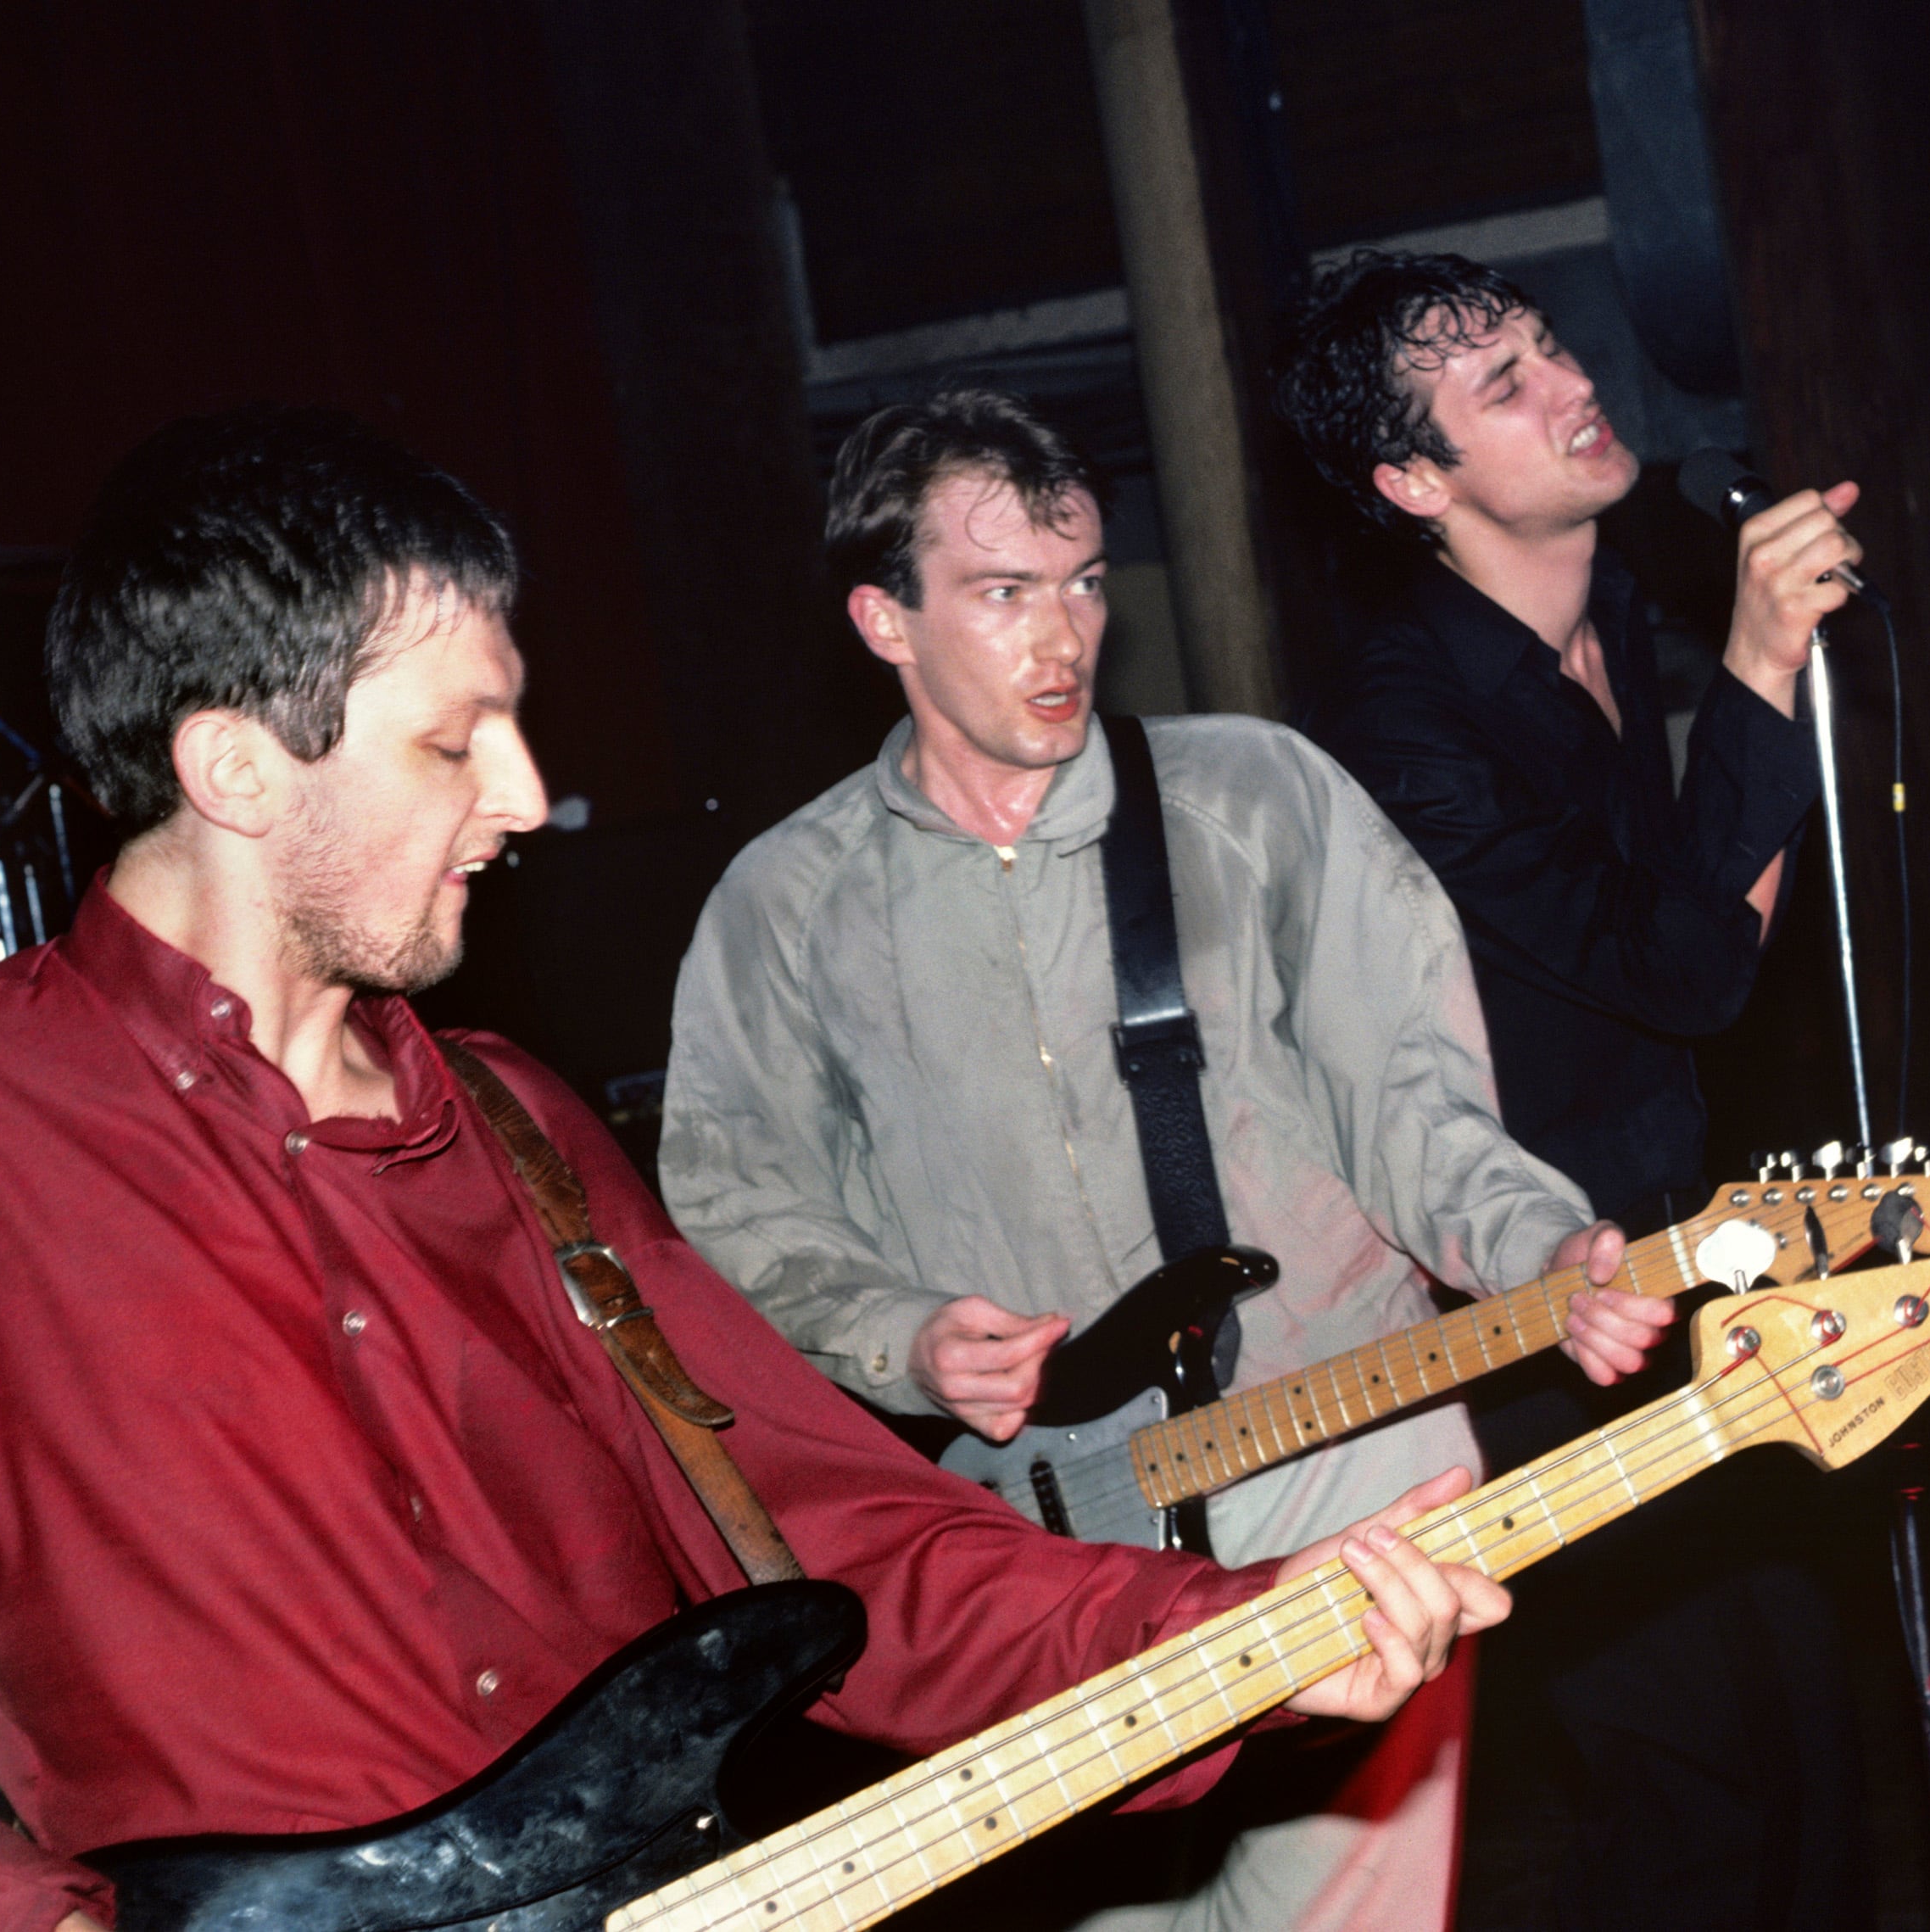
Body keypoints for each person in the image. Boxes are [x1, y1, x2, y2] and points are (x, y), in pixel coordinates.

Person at [0, 407, 1504, 1932]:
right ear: (235, 769)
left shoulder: (521, 1131)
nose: (523, 796)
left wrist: (1239, 1640)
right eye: (455, 743)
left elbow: (842, 1531)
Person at [658, 389, 1670, 1932]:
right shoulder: (785, 902)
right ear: (884, 619)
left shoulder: (1251, 795)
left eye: (1079, 581)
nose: (1061, 635)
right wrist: (901, 1335)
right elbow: (729, 1213)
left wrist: (1538, 1247)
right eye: (1002, 595)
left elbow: (1412, 1097)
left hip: (1349, 1449)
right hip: (1033, 1525)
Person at [1274, 250, 1871, 1932]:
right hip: (1524, 1306)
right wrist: (1759, 664)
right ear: (1415, 483)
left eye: (1545, 346)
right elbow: (1689, 967)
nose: (1566, 384)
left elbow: (1685, 928)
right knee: (1687, 1779)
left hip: (1673, 1246)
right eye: (1501, 388)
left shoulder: (1602, 603)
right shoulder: (1406, 725)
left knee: (1805, 1728)